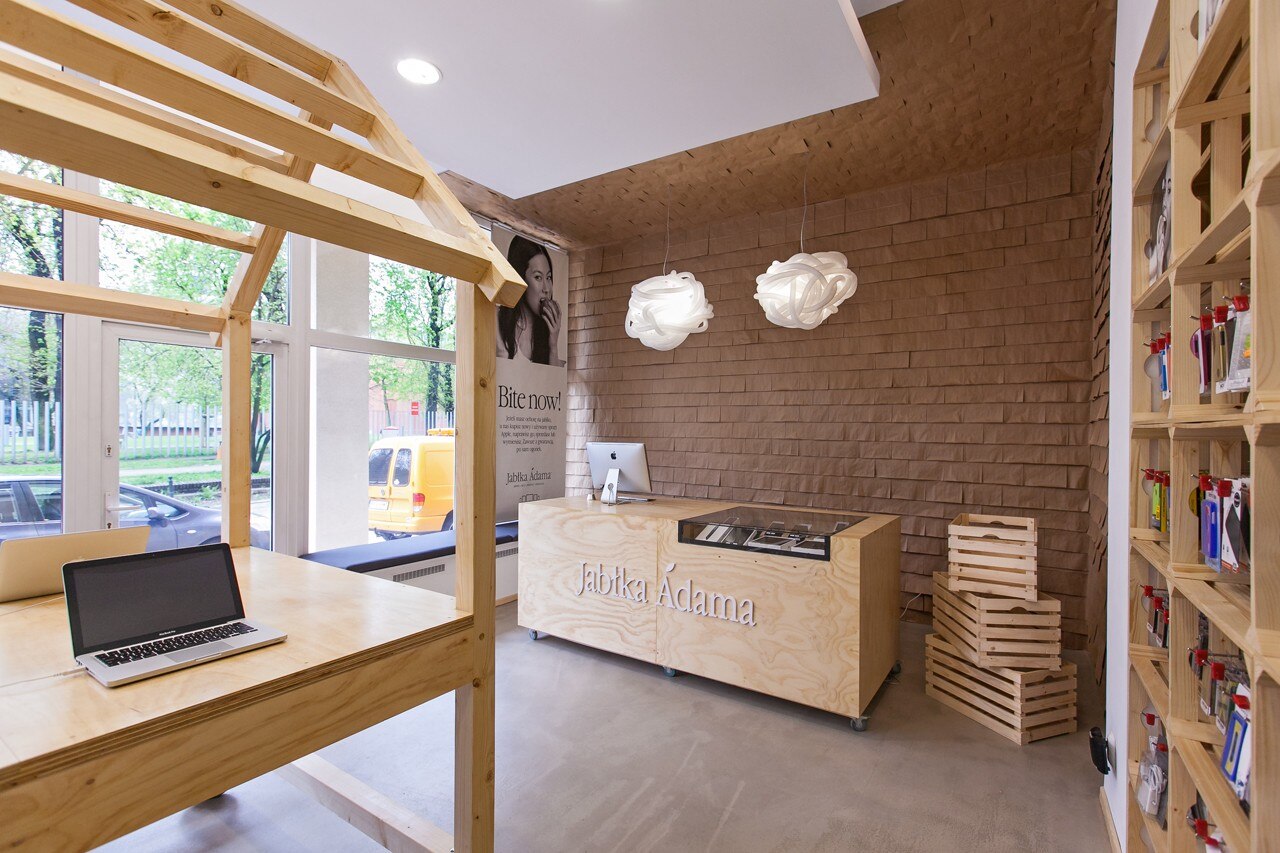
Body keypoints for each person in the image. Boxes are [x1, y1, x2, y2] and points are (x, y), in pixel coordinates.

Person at [497, 235, 564, 366]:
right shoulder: (497, 318)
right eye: (538, 277)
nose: (546, 289)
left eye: (548, 277)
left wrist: (553, 345)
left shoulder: (549, 331)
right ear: (521, 278)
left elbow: (554, 378)